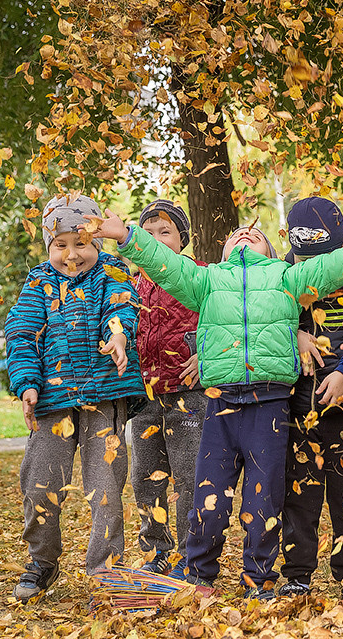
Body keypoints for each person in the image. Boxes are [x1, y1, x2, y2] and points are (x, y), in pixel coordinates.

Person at [94, 209, 343, 599]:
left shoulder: (286, 279)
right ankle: (200, 576)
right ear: (223, 249)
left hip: (270, 406)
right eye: (236, 233)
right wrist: (128, 236)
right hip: (219, 406)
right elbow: (165, 266)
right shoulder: (207, 280)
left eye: (255, 233)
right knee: (208, 497)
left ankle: (259, 580)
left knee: (263, 498)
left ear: (271, 249)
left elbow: (331, 267)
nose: (245, 233)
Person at [4, 195, 147, 603]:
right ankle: (42, 561)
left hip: (105, 397)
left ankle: (106, 572)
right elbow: (21, 336)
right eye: (60, 245)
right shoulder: (37, 284)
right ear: (49, 247)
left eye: (80, 243)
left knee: (105, 488)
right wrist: (27, 383)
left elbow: (121, 308)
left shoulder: (113, 273)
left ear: (96, 243)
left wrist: (118, 335)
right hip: (52, 401)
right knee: (39, 484)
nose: (71, 255)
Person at [278, 197, 343, 599]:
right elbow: (266, 322)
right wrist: (294, 334)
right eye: (307, 259)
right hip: (299, 406)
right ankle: (297, 574)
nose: (316, 271)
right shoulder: (287, 274)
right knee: (299, 497)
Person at [128, 199, 207, 576]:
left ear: (182, 240)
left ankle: (194, 556)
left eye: (166, 232)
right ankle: (156, 548)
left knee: (189, 475)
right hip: (145, 397)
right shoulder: (129, 288)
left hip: (188, 393)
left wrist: (206, 355)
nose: (156, 239)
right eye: (148, 233)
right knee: (145, 474)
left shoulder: (198, 276)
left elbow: (224, 320)